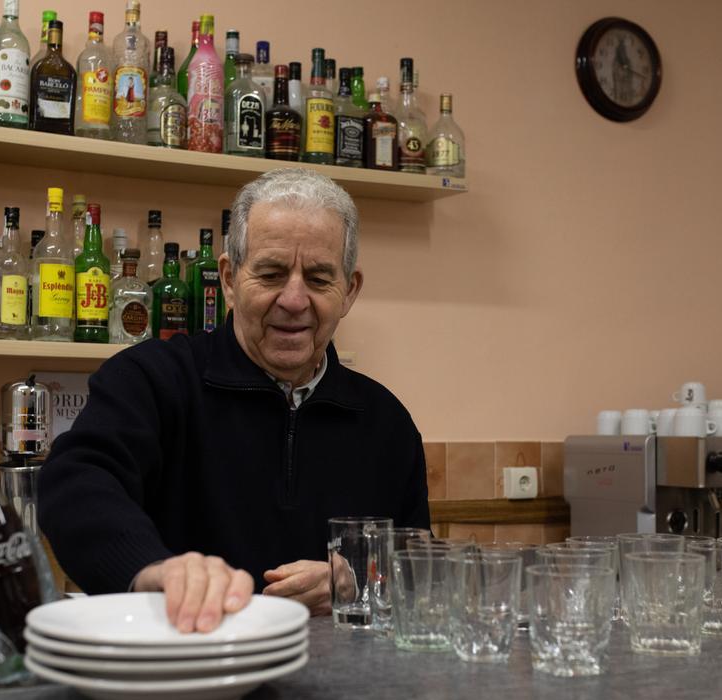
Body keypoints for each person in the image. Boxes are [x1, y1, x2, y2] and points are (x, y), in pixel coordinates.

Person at [38, 168, 430, 633]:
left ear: (350, 290)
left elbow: (417, 569)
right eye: (271, 273)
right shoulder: (150, 379)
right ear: (228, 278)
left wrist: (360, 581)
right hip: (186, 674)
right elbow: (75, 486)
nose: (294, 299)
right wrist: (151, 571)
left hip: (341, 692)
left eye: (320, 278)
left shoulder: (388, 423)